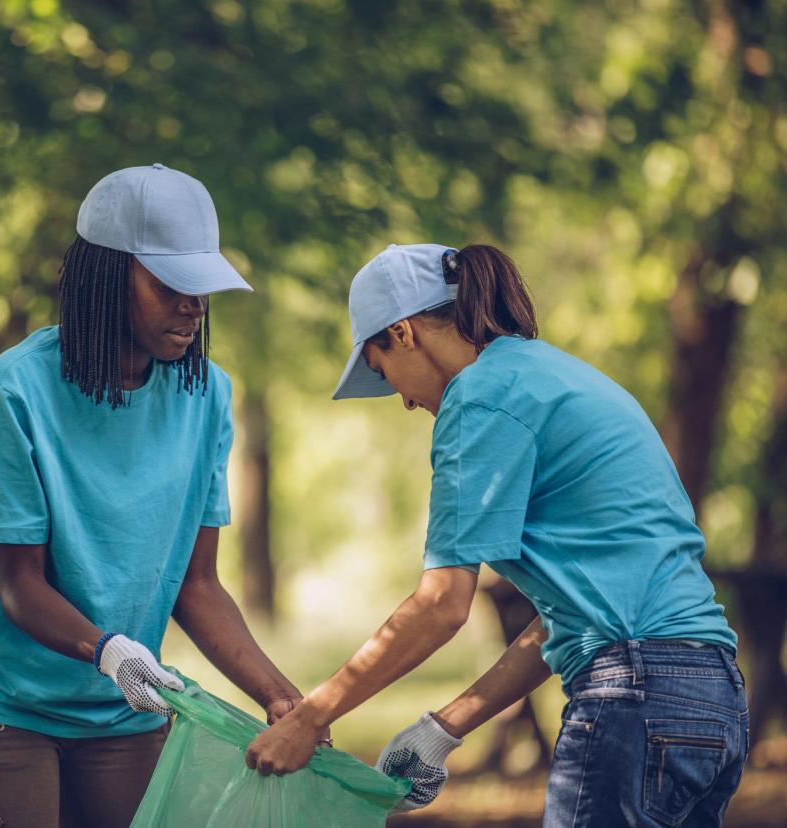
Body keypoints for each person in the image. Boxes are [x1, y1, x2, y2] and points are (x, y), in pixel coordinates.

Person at [244, 243, 747, 826]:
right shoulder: (551, 374)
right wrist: (443, 729)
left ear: (404, 332)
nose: (405, 401)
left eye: (385, 373)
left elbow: (441, 604)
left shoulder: (479, 397)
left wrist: (308, 718)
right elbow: (570, 619)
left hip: (632, 701)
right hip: (710, 699)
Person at [0, 164, 310, 828]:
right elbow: (17, 583)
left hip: (121, 711)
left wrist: (281, 696)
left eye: (203, 286)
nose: (194, 304)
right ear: (104, 278)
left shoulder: (207, 396)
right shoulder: (15, 390)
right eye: (171, 284)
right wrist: (109, 650)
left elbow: (198, 584)